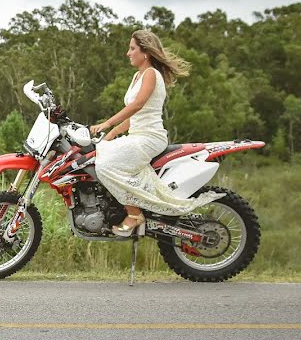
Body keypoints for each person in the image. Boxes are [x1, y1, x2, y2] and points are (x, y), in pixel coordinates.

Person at [90, 30, 223, 236]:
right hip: (137, 135)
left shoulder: (151, 74)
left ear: (146, 52)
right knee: (99, 154)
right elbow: (133, 117)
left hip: (150, 138)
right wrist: (108, 137)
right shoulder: (137, 76)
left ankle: (134, 214)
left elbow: (137, 105)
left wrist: (106, 123)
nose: (128, 53)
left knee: (105, 165)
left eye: (132, 48)